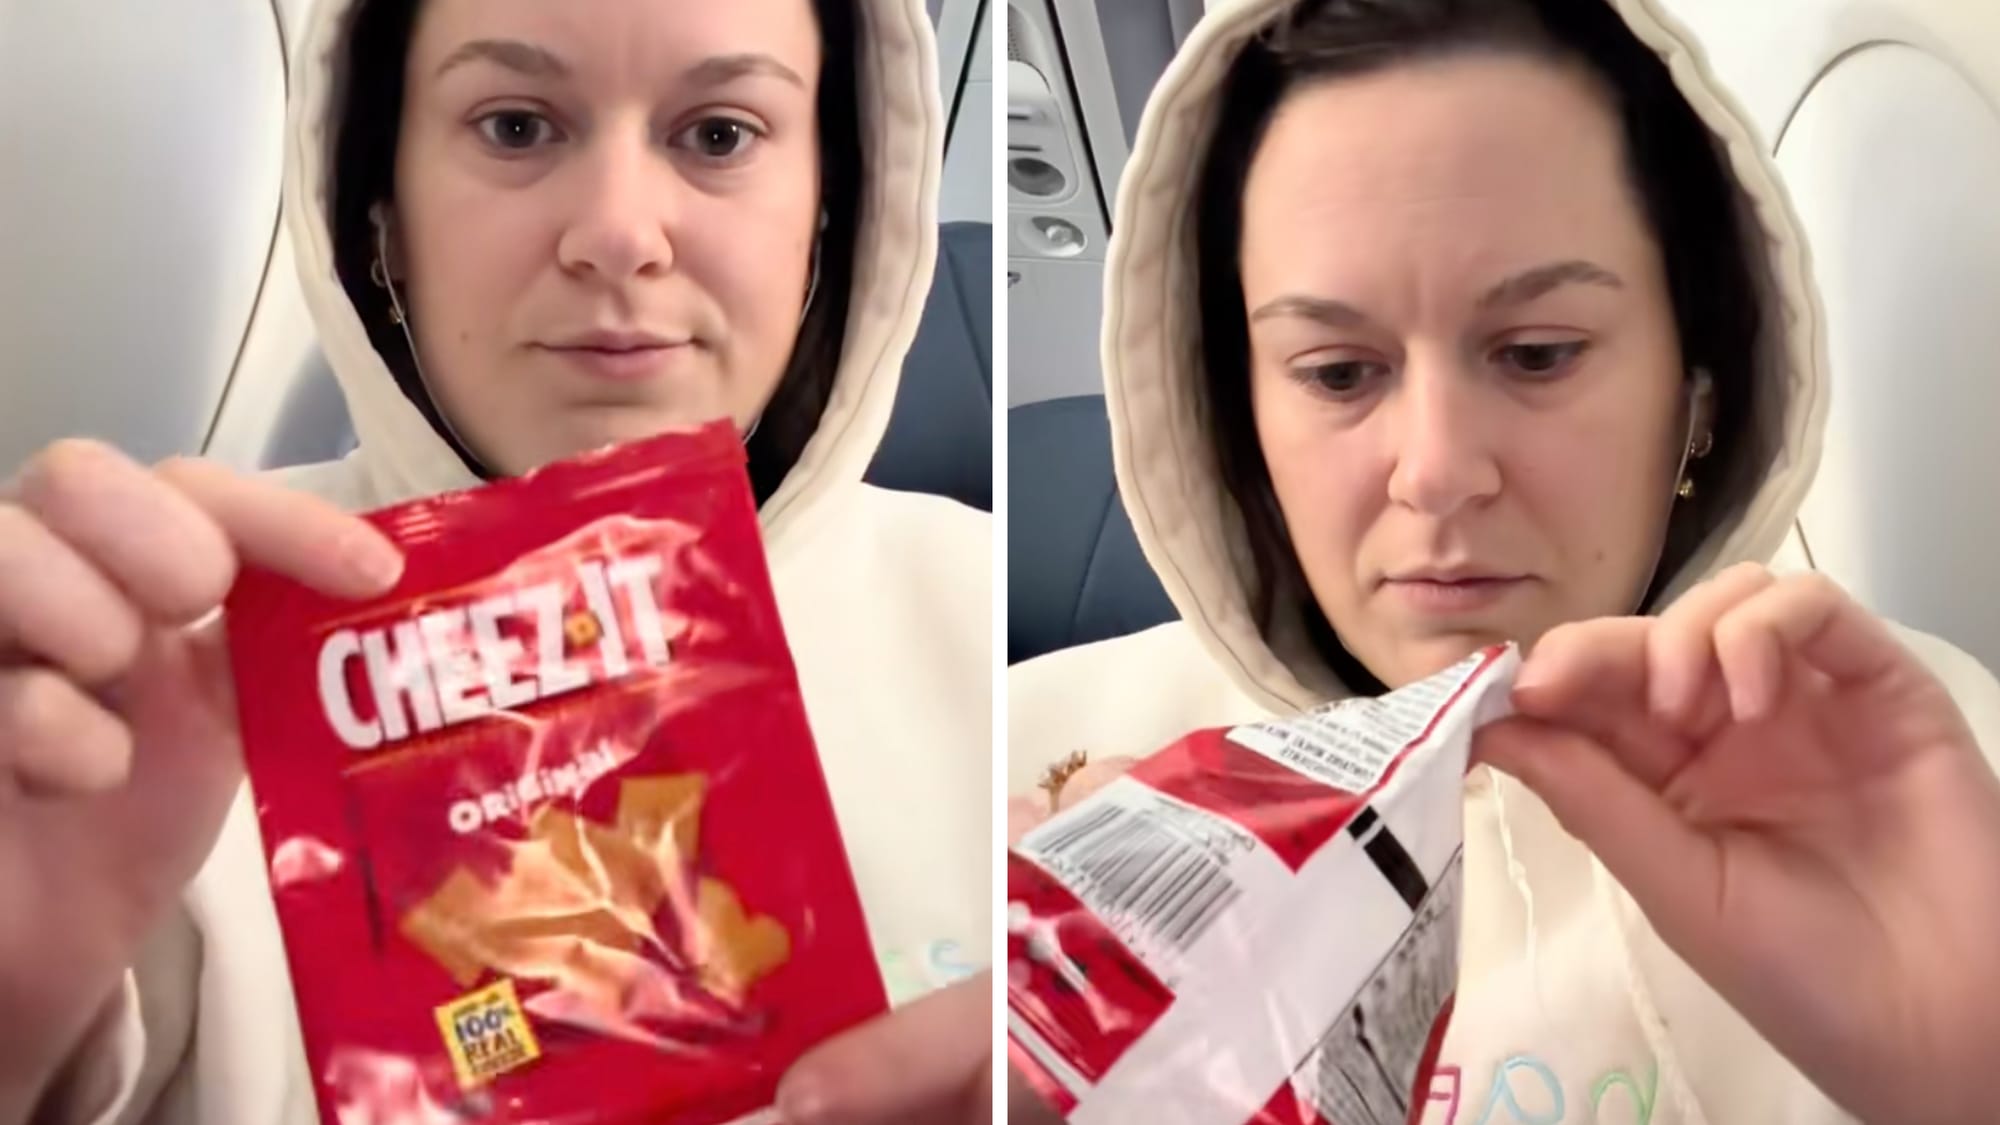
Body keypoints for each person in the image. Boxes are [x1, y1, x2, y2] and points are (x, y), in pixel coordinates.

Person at [0, 0, 992, 1122]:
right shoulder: (147, 688)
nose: (618, 232)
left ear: (826, 210)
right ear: (382, 213)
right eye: (516, 126)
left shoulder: (995, 635)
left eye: (719, 135)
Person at [1009, 1, 2000, 1123]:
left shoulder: (1919, 768)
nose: (1435, 471)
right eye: (1337, 373)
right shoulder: (1024, 774)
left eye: (1536, 354)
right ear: (1237, 417)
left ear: (1698, 400)